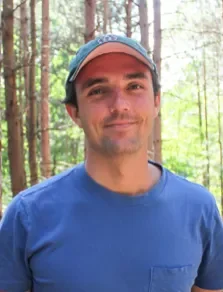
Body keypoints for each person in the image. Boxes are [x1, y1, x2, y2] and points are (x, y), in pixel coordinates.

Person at [0, 34, 223, 292]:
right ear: (75, 113)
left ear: (156, 102)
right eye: (98, 91)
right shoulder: (27, 216)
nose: (120, 105)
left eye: (134, 86)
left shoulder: (198, 209)